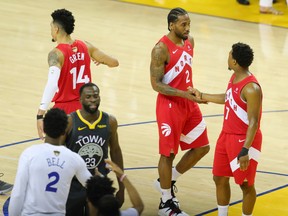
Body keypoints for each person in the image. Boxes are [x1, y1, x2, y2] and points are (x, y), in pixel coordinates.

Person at [150, 7, 210, 216]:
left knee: (202, 147)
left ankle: (167, 181)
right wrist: (183, 95)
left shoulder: (190, 41)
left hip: (188, 102)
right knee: (168, 154)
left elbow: (184, 73)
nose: (187, 28)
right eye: (183, 24)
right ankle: (165, 203)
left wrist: (191, 92)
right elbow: (156, 84)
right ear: (171, 25)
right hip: (169, 106)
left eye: (189, 24)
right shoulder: (160, 49)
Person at [192, 42, 262, 216]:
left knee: (246, 185)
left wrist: (245, 149)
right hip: (226, 136)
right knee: (219, 177)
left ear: (236, 62)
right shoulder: (235, 77)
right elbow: (229, 97)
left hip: (244, 140)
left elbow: (254, 122)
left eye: (230, 54)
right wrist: (202, 96)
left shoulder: (252, 88)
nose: (228, 57)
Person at [36, 8, 119, 140]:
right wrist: (100, 61)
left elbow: (52, 84)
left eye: (51, 27)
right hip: (86, 109)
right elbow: (114, 62)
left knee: (57, 153)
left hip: (64, 110)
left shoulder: (56, 54)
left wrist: (40, 114)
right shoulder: (86, 46)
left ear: (56, 29)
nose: (51, 31)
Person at [9, 108, 92, 216]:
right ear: (64, 131)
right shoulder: (74, 158)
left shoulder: (29, 153)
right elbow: (93, 186)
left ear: (44, 128)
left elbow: (18, 194)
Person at [60, 82, 125, 216]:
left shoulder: (110, 121)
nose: (93, 100)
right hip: (74, 185)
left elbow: (116, 152)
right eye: (88, 97)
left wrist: (122, 188)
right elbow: (58, 155)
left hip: (100, 184)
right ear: (80, 99)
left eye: (95, 96)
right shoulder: (70, 121)